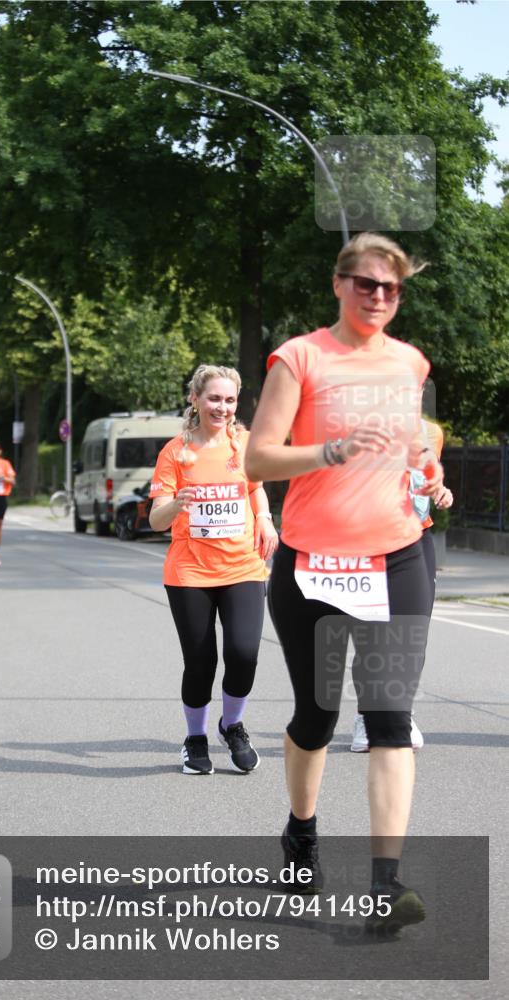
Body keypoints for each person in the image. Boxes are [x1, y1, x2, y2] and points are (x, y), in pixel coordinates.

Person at [246, 233, 444, 934]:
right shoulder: (299, 358)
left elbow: (416, 443)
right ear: (338, 284)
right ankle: (301, 829)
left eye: (390, 289)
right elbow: (258, 458)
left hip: (396, 558)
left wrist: (428, 473)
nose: (378, 298)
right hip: (313, 565)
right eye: (365, 284)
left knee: (390, 720)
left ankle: (386, 888)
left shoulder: (408, 363)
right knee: (316, 718)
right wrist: (327, 451)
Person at [149, 365, 279, 775]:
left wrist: (265, 519)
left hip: (243, 566)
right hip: (190, 572)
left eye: (229, 400)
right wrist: (177, 503)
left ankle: (232, 724)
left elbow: (255, 488)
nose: (221, 407)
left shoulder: (245, 445)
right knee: (200, 662)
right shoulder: (175, 452)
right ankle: (195, 738)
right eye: (213, 399)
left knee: (244, 653)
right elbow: (156, 519)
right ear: (195, 399)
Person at [350, 418, 454, 752]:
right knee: (373, 637)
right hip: (370, 541)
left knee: (414, 635)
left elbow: (428, 477)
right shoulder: (362, 428)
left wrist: (441, 491)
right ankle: (366, 716)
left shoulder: (432, 433)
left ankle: (401, 712)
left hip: (417, 537)